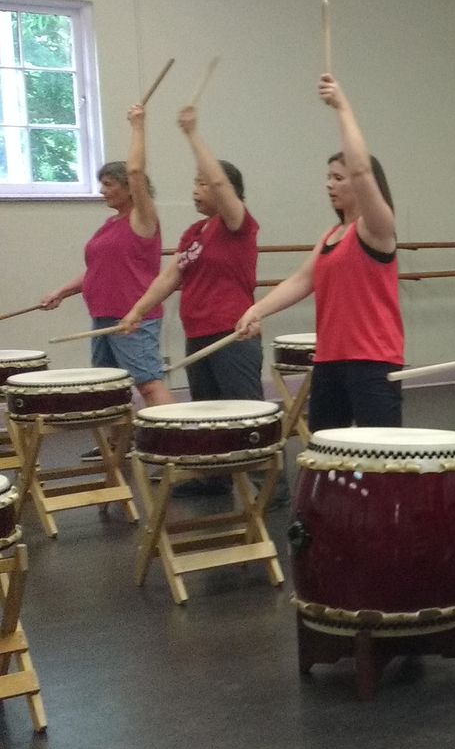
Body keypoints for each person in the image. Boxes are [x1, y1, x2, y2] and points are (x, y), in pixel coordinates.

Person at [234, 74, 402, 430]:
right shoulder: (331, 235)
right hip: (330, 359)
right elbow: (301, 280)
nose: (330, 184)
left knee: (382, 460)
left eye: (338, 178)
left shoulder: (377, 228)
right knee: (328, 452)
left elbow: (360, 166)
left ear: (362, 183)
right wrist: (257, 309)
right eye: (328, 177)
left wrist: (342, 107)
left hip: (373, 360)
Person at [120, 105, 263, 496]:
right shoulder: (194, 232)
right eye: (195, 183)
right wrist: (137, 309)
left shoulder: (238, 224)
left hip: (233, 334)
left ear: (224, 191)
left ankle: (271, 487)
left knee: (246, 414)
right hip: (199, 333)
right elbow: (170, 276)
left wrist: (192, 135)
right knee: (207, 414)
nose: (196, 189)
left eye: (202, 184)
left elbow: (220, 183)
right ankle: (214, 479)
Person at [40, 104, 175, 417]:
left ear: (129, 189)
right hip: (103, 316)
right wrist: (61, 291)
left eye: (108, 184)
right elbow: (97, 272)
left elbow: (137, 170)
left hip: (133, 317)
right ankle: (116, 447)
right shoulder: (110, 224)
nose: (102, 191)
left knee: (149, 385)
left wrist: (137, 125)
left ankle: (180, 445)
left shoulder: (143, 218)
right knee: (108, 386)